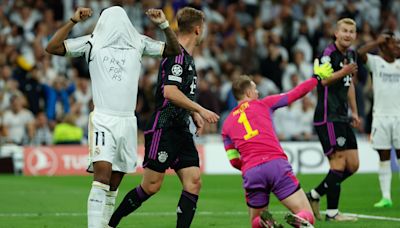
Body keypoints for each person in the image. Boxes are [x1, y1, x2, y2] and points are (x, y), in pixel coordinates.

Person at [45, 5, 181, 228]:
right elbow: (52, 47)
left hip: (127, 121)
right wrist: (73, 20)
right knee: (102, 178)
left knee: (114, 184)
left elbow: (174, 51)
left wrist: (164, 25)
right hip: (103, 119)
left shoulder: (138, 42)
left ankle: (105, 225)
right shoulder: (92, 41)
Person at [108, 7, 219, 228]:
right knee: (151, 186)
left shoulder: (187, 57)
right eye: (204, 27)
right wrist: (201, 108)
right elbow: (170, 92)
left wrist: (193, 112)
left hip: (181, 128)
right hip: (164, 127)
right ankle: (110, 223)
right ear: (198, 29)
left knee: (194, 181)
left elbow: (180, 94)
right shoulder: (176, 55)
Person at [220, 59, 333, 228]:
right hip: (276, 165)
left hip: (251, 171)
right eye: (256, 89)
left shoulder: (226, 125)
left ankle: (266, 223)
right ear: (249, 92)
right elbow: (296, 93)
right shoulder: (264, 104)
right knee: (307, 214)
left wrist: (250, 166)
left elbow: (234, 160)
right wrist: (316, 78)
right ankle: (300, 219)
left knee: (256, 221)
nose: (258, 92)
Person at [306, 18, 360, 221]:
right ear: (336, 33)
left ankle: (314, 195)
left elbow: (350, 84)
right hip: (327, 116)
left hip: (343, 116)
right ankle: (332, 213)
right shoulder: (327, 55)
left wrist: (354, 111)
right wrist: (343, 71)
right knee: (338, 164)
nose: (348, 34)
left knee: (353, 165)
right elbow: (323, 80)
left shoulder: (352, 55)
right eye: (344, 31)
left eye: (351, 31)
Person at [357, 31, 400, 208]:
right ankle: (386, 197)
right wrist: (377, 41)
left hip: (399, 117)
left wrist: (388, 41)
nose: (397, 47)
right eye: (394, 44)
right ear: (384, 46)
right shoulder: (376, 63)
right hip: (380, 118)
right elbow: (360, 53)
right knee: (383, 156)